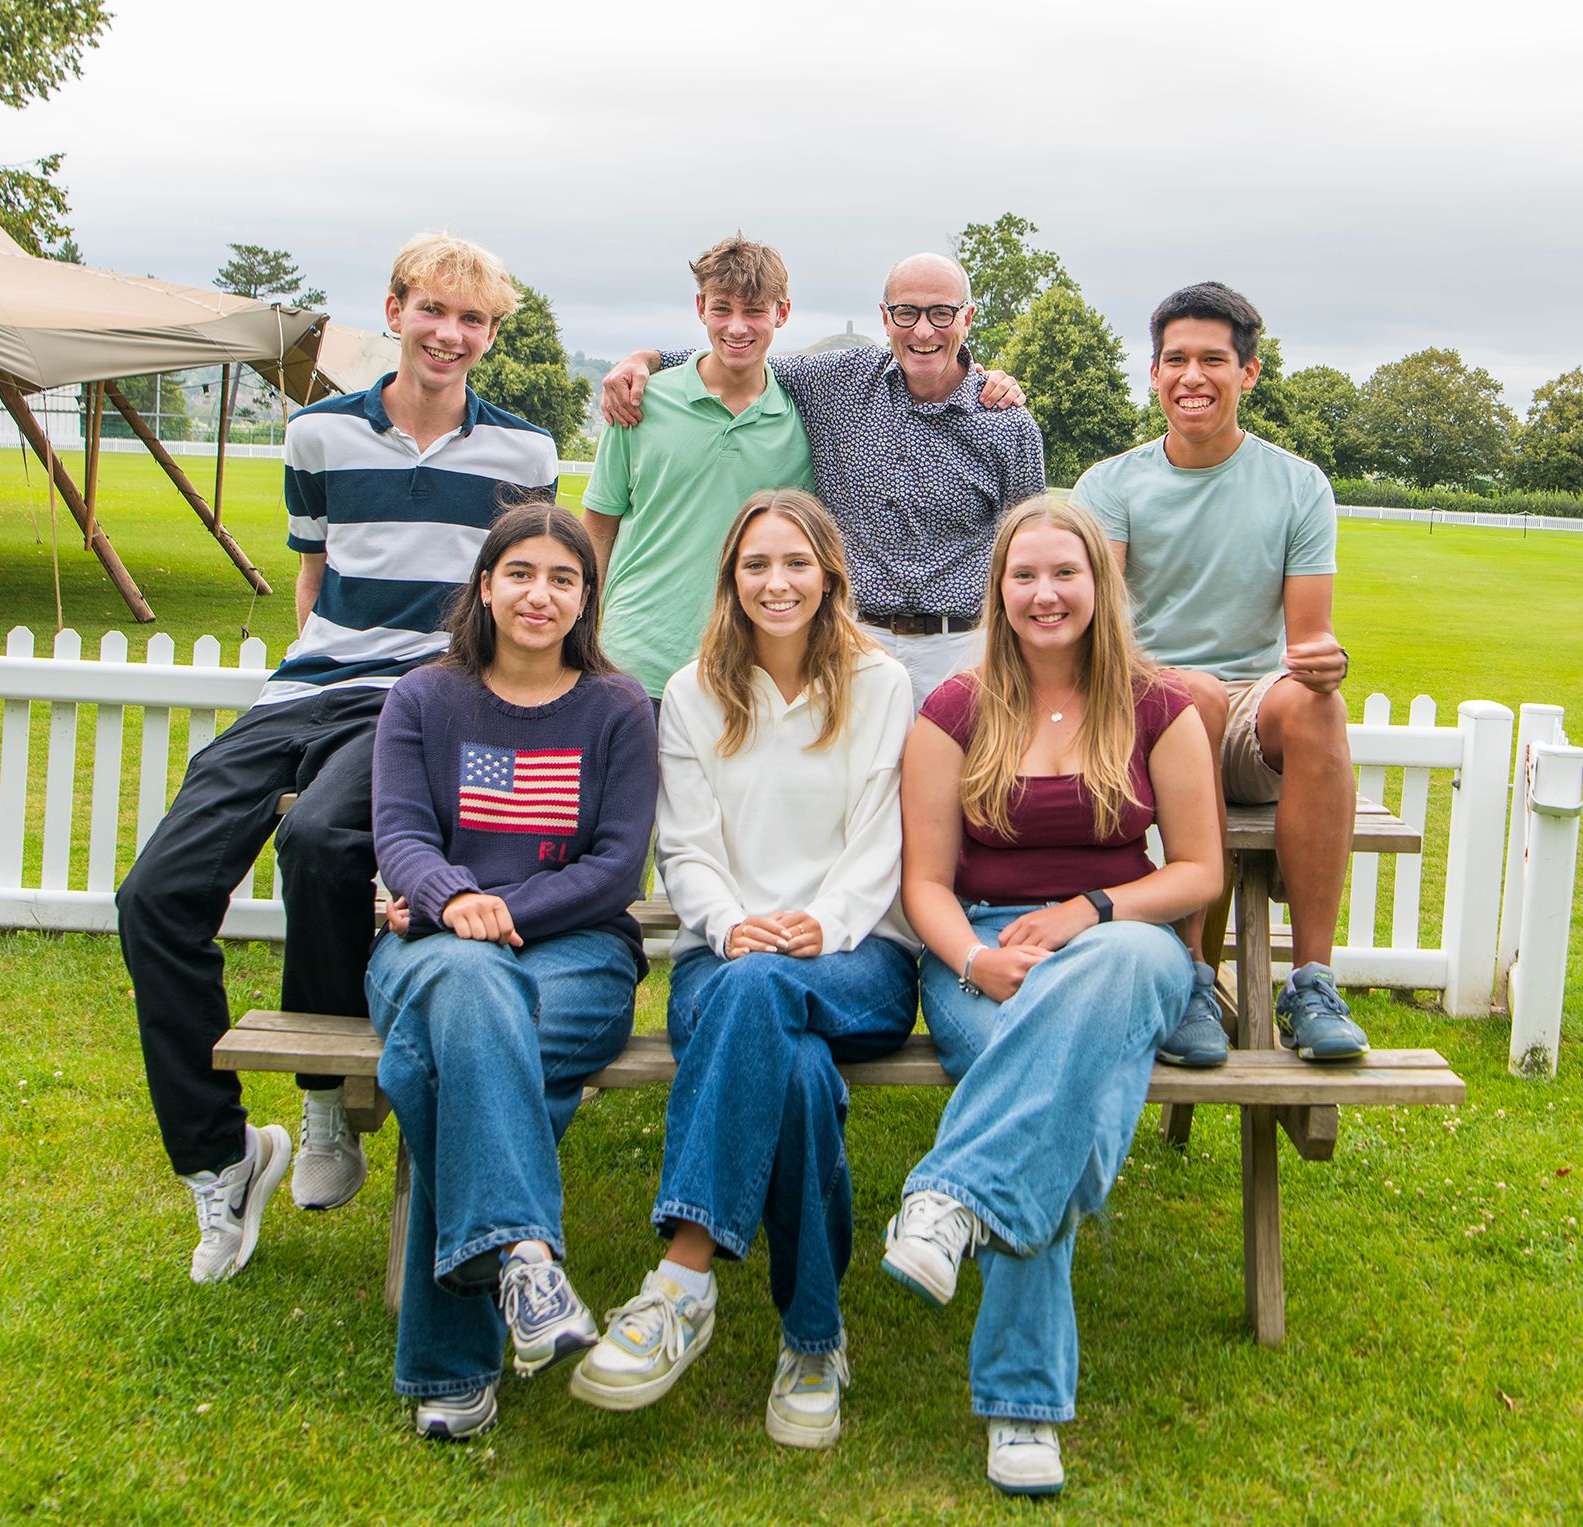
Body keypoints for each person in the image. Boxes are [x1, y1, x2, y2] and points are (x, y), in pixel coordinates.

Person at [116, 232, 557, 1284]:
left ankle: (324, 1101)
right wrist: (308, 679)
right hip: (309, 688)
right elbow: (314, 573)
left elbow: (507, 596)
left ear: (491, 335)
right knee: (155, 895)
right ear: (397, 308)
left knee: (319, 842)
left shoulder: (523, 456)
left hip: (421, 699)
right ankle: (223, 1161)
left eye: (473, 321)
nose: (450, 335)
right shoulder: (318, 435)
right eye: (433, 311)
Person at [881, 498, 1220, 1495]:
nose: (1044, 594)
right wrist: (970, 961)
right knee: (1048, 1098)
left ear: (1099, 584)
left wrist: (1091, 908)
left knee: (1100, 990)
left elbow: (1198, 870)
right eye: (1023, 576)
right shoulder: (955, 706)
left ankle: (950, 1199)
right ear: (999, 590)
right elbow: (926, 883)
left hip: (1125, 943)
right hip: (982, 944)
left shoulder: (1160, 706)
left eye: (1064, 573)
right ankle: (1021, 1408)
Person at [570, 488, 919, 1451]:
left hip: (860, 961)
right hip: (725, 966)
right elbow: (685, 851)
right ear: (731, 578)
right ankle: (814, 1340)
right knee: (797, 1074)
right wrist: (731, 928)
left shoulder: (882, 684)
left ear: (829, 575)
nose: (778, 582)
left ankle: (682, 1276)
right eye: (757, 564)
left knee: (771, 998)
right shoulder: (689, 692)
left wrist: (822, 922)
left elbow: (882, 838)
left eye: (797, 563)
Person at [364, 502, 657, 1440]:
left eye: (562, 578)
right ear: (485, 586)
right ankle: (527, 1257)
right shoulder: (424, 698)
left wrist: (498, 912)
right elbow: (402, 832)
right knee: (470, 995)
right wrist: (454, 901)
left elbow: (615, 866)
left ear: (586, 597)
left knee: (441, 1061)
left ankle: (454, 1366)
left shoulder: (618, 707)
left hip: (577, 959)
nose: (540, 594)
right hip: (430, 948)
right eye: (520, 573)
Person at [1070, 280, 1369, 1067]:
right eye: (1175, 360)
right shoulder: (1113, 484)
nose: (1192, 376)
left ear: (1250, 373)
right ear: (1156, 372)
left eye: (1212, 359)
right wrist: (1166, 684)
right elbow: (1098, 630)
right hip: (1141, 703)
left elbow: (1307, 644)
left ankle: (1311, 981)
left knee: (1317, 709)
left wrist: (1326, 664)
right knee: (1187, 694)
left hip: (1247, 708)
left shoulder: (1297, 484)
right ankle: (1192, 976)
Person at [601, 252, 1046, 705]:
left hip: (962, 648)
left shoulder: (1006, 424)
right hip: (849, 641)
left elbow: (1032, 553)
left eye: (942, 313)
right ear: (886, 318)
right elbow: (742, 354)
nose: (923, 330)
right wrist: (646, 359)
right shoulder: (841, 380)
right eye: (907, 313)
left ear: (966, 318)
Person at [581, 234, 815, 706]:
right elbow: (597, 530)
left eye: (754, 311)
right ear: (700, 307)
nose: (736, 327)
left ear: (782, 314)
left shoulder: (800, 423)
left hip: (744, 673)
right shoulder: (638, 402)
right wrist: (577, 637)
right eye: (722, 308)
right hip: (633, 667)